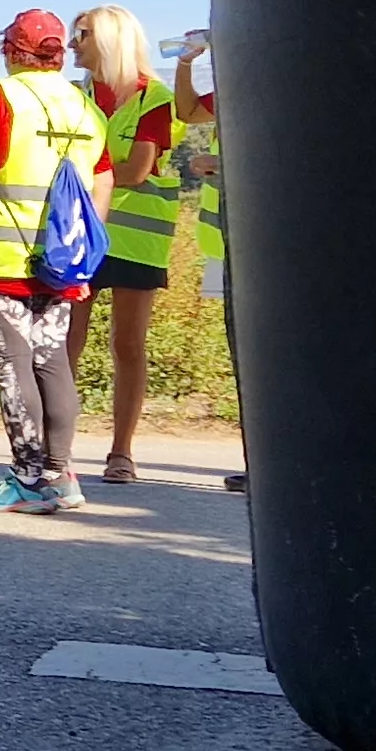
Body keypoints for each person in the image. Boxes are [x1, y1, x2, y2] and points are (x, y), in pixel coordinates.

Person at [0, 8, 106, 516]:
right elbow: (103, 179)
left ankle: (30, 479)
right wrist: (85, 255)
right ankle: (61, 472)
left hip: (3, 262)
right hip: (62, 263)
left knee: (15, 369)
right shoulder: (84, 106)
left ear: (12, 50)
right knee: (52, 363)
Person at [68, 6, 179, 484]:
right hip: (79, 236)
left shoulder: (154, 97)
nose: (73, 44)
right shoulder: (72, 96)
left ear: (110, 40)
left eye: (83, 35)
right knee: (63, 344)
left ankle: (121, 453)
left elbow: (137, 170)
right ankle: (56, 453)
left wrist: (87, 170)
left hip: (136, 240)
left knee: (128, 345)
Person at [175, 29, 241, 495]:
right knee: (243, 352)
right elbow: (189, 111)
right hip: (227, 241)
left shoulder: (266, 84)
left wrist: (219, 163)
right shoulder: (236, 87)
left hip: (256, 242)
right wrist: (184, 63)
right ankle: (259, 458)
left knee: (258, 352)